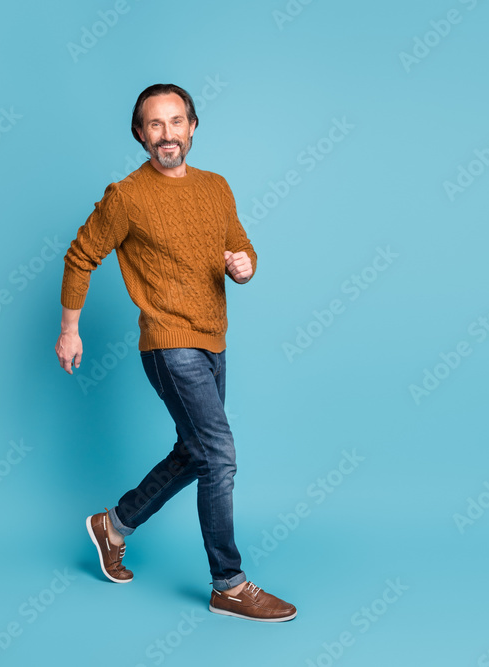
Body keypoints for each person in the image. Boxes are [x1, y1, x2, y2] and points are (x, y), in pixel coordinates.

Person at [55, 83, 296, 622]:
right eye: (155, 125)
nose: (167, 134)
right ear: (141, 134)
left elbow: (241, 246)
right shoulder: (127, 196)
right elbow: (80, 255)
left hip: (214, 338)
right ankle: (228, 584)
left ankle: (114, 524)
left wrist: (245, 266)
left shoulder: (216, 187)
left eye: (176, 122)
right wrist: (70, 329)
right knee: (221, 454)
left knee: (196, 451)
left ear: (192, 126)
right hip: (168, 341)